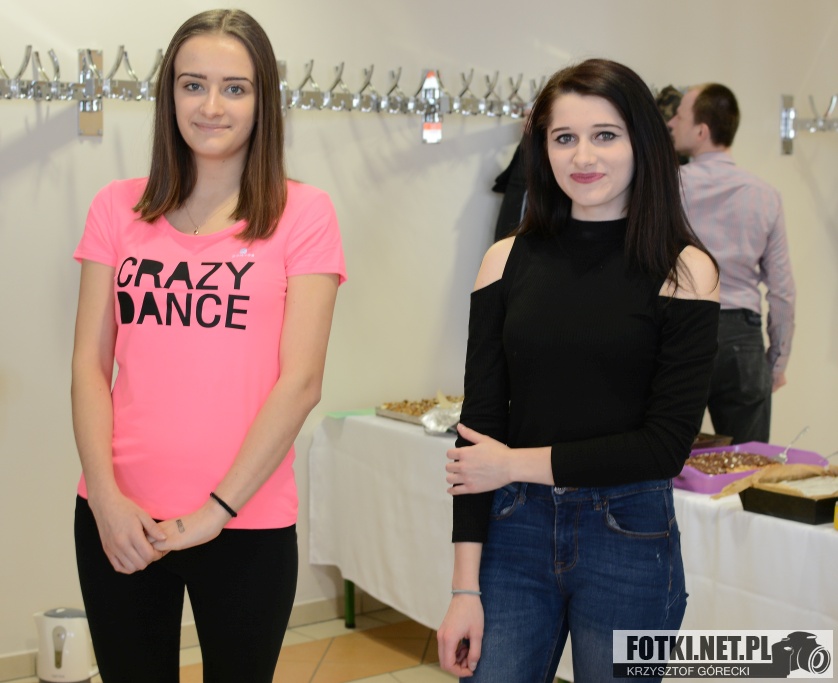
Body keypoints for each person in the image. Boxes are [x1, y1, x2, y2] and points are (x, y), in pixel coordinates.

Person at [70, 9, 346, 682]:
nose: (211, 106)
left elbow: (301, 382)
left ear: (263, 100)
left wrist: (214, 511)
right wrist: (104, 498)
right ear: (169, 95)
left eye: (235, 88)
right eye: (193, 85)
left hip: (246, 520)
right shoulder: (116, 206)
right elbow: (88, 366)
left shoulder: (303, 213)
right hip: (121, 515)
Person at [437, 59, 720, 682]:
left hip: (630, 536)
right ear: (542, 150)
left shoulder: (684, 270)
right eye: (564, 137)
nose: (583, 156)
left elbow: (664, 447)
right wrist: (463, 589)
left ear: (641, 143)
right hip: (513, 532)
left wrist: (513, 465)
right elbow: (478, 430)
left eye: (605, 135)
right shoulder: (504, 260)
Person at [667, 84, 795, 444]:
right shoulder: (765, 195)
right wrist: (777, 363)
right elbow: (783, 291)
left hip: (681, 328)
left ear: (702, 131)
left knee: (671, 459)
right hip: (743, 338)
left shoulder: (666, 189)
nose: (671, 122)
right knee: (748, 466)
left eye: (679, 116)